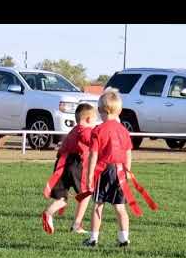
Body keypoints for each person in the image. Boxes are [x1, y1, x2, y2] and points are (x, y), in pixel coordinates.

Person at [82, 88, 157, 248]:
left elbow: (93, 155)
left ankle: (93, 238)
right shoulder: (124, 131)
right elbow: (128, 152)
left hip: (103, 170)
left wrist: (89, 176)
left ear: (100, 110)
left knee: (98, 205)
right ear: (120, 110)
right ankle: (123, 238)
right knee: (120, 207)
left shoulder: (98, 130)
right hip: (120, 170)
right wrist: (128, 171)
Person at [42, 103, 97, 234]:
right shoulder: (86, 130)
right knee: (86, 194)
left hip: (62, 165)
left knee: (62, 198)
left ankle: (49, 213)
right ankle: (76, 225)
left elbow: (61, 150)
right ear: (89, 119)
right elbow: (90, 141)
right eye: (94, 120)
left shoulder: (73, 130)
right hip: (77, 163)